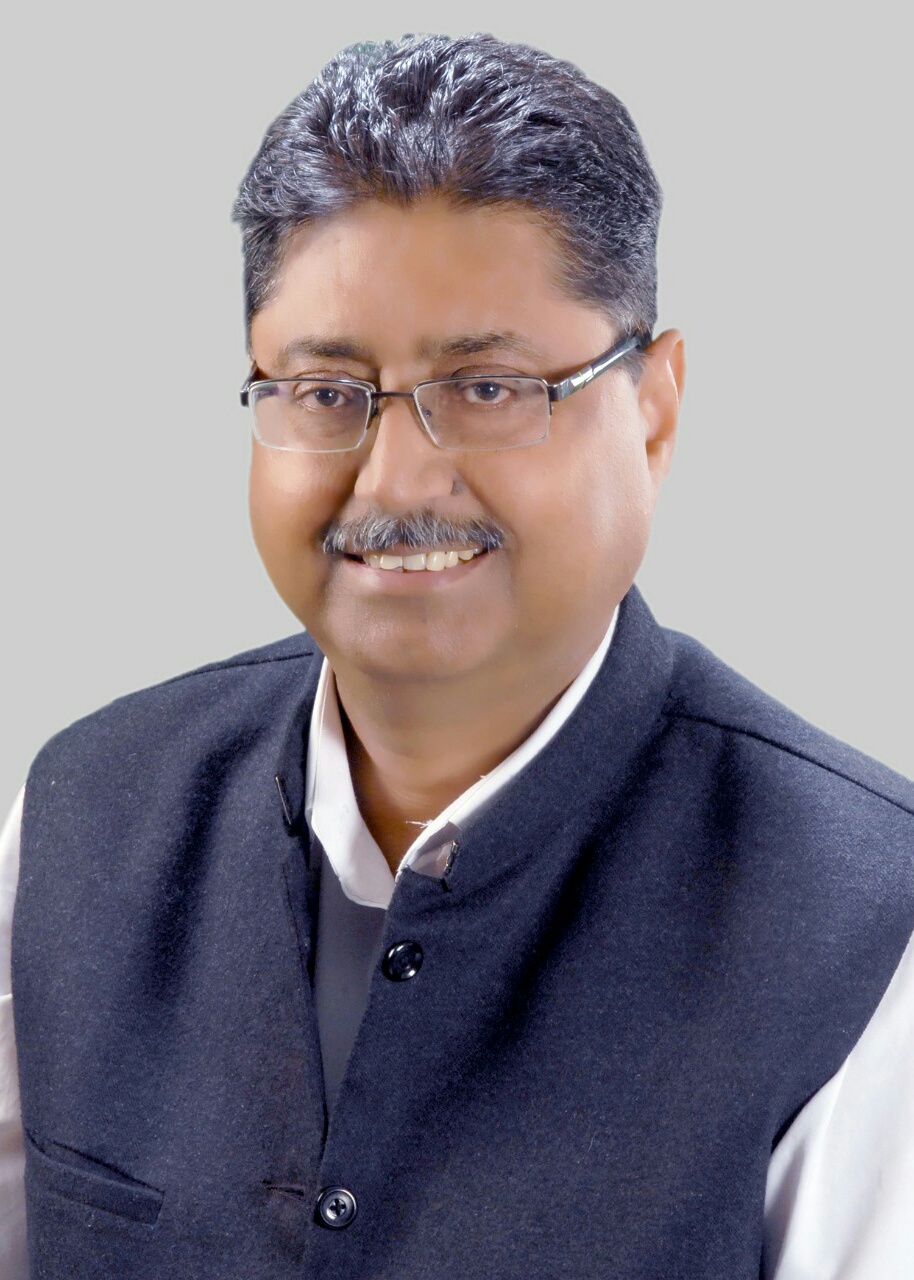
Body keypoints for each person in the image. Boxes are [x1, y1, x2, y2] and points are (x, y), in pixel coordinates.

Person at [2, 32, 913, 1280]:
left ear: (653, 409)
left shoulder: (863, 924)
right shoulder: (81, 815)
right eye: (326, 392)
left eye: (486, 387)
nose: (395, 480)